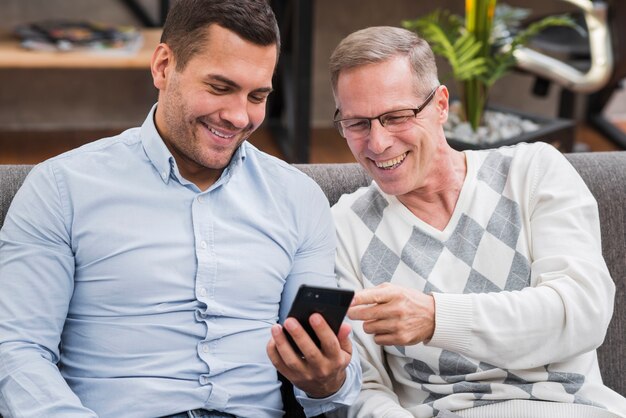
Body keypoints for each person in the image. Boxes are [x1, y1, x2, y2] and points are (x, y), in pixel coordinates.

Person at [0, 1, 361, 417]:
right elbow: (17, 351)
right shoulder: (61, 189)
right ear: (163, 66)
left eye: (257, 95)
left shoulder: (299, 198)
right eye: (220, 88)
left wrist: (327, 379)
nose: (238, 116)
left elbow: (331, 383)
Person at [328, 26, 626, 418]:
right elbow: (362, 386)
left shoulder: (531, 171)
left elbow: (582, 313)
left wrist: (437, 318)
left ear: (440, 105)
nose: (378, 142)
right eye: (357, 123)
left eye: (396, 117)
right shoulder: (343, 227)